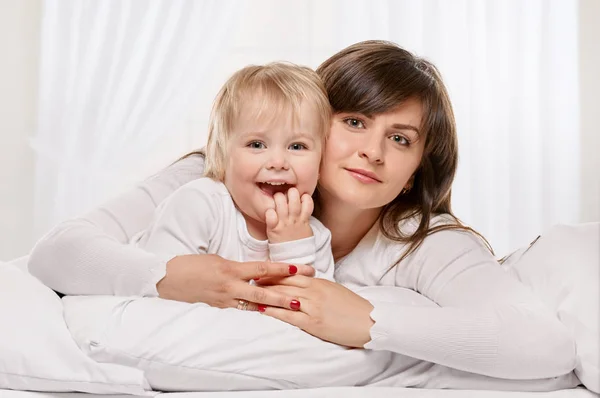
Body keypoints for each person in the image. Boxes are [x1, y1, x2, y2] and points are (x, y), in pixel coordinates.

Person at [28, 40, 576, 381]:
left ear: (417, 167)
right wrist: (168, 275)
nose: (373, 151)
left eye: (401, 139)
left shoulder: (423, 240)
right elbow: (57, 251)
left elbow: (545, 346)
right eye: (355, 122)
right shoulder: (217, 175)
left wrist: (368, 322)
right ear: (311, 122)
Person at [131, 62, 336, 311]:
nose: (278, 162)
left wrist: (293, 247)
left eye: (297, 146)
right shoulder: (200, 204)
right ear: (222, 155)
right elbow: (156, 292)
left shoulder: (315, 236)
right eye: (257, 145)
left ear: (321, 162)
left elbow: (313, 320)